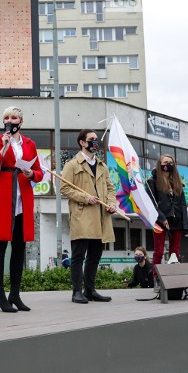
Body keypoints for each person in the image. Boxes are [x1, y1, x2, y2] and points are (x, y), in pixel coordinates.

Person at [0, 106, 43, 313]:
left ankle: (15, 294)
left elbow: (39, 172)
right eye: (6, 117)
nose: (10, 120)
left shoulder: (30, 144)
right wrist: (4, 148)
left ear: (21, 121)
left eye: (14, 117)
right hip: (2, 196)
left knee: (19, 246)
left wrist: (31, 175)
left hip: (22, 197)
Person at [61, 129, 117, 304]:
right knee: (78, 255)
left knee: (95, 256)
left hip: (101, 217)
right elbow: (64, 188)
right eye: (91, 139)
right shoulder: (72, 164)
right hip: (82, 216)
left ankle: (90, 290)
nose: (95, 142)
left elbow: (110, 188)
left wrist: (112, 203)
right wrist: (85, 198)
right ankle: (77, 292)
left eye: (96, 139)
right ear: (82, 143)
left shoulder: (102, 165)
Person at [146, 154, 188, 271]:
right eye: (165, 162)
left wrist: (185, 224)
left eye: (171, 162)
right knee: (159, 251)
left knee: (175, 252)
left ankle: (174, 279)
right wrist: (162, 218)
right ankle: (156, 279)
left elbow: (183, 204)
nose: (168, 165)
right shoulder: (152, 182)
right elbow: (152, 204)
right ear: (160, 164)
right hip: (160, 221)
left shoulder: (178, 183)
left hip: (176, 220)